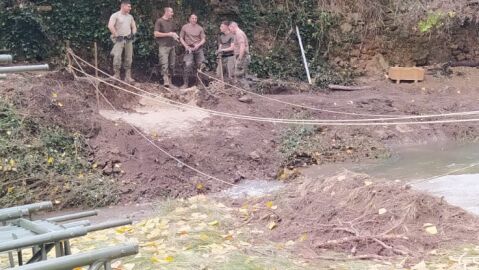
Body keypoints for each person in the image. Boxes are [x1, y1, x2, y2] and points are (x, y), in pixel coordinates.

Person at [108, 0, 137, 82]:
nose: (130, 8)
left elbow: (134, 26)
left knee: (129, 58)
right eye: (128, 6)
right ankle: (116, 75)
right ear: (123, 6)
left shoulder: (130, 17)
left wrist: (133, 34)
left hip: (128, 39)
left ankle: (128, 77)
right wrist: (117, 35)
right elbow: (110, 26)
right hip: (119, 39)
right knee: (117, 57)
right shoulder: (115, 15)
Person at [154, 7, 179, 88]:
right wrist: (169, 34)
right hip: (163, 46)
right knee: (164, 64)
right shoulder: (159, 21)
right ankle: (166, 81)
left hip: (172, 46)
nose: (172, 14)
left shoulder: (171, 21)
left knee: (172, 64)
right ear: (167, 12)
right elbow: (156, 34)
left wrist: (175, 36)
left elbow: (173, 32)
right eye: (171, 12)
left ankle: (170, 81)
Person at [179, 13, 206, 89]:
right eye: (193, 18)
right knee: (187, 64)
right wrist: (186, 46)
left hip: (198, 48)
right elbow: (181, 38)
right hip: (189, 48)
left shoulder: (200, 28)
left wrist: (198, 45)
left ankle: (199, 84)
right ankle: (185, 84)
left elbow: (203, 39)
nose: (194, 20)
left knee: (201, 65)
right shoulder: (185, 27)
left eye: (195, 18)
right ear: (189, 19)